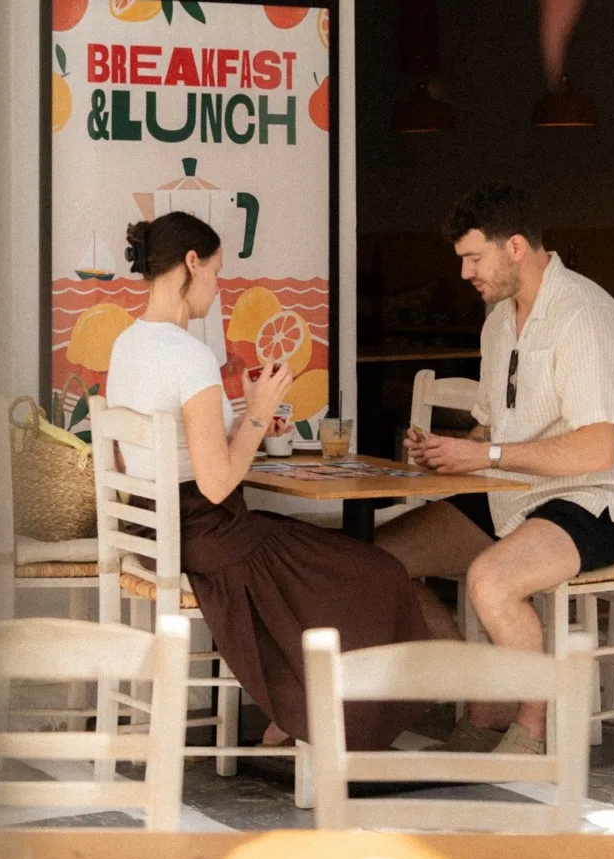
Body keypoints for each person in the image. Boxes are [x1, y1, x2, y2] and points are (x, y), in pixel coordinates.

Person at [107, 210, 429, 750]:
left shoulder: (127, 344)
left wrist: (243, 423)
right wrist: (258, 412)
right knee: (376, 572)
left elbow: (174, 450)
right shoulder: (190, 356)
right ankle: (318, 718)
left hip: (155, 529)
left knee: (329, 563)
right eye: (215, 272)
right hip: (206, 535)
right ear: (191, 263)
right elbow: (215, 485)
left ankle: (298, 710)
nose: (217, 286)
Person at [377, 184, 614, 755]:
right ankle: (486, 691)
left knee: (491, 579)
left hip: (593, 500)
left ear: (517, 246)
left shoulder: (583, 316)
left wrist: (489, 455)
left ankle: (531, 725)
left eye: (474, 257)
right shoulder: (499, 319)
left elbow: (598, 450)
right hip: (515, 492)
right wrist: (450, 447)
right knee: (379, 562)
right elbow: (490, 429)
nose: (465, 273)